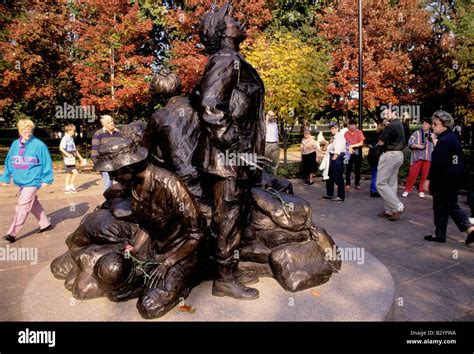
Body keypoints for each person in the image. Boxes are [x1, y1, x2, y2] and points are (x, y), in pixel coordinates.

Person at [192, 1, 264, 300]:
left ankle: (228, 268)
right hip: (228, 157)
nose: (239, 22)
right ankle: (224, 277)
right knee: (229, 215)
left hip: (235, 156)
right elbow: (211, 106)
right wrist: (236, 145)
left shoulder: (233, 59)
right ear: (222, 31)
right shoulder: (224, 60)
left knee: (235, 213)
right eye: (234, 20)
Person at [94, 136, 208, 318]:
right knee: (111, 279)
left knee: (149, 307)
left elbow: (197, 235)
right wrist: (136, 247)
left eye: (115, 171)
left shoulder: (170, 185)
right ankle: (151, 283)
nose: (113, 177)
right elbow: (147, 225)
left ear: (129, 166)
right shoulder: (133, 185)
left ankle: (180, 283)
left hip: (182, 253)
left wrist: (169, 262)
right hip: (156, 248)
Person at [423, 110, 474, 245]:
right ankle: (440, 234)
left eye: (435, 124)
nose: (433, 126)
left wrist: (427, 180)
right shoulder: (451, 138)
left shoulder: (444, 141)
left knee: (447, 206)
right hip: (453, 179)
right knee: (444, 206)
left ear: (444, 125)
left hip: (444, 180)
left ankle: (470, 229)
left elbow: (438, 164)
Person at [0, 119, 54, 243]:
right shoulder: (15, 144)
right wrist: (5, 177)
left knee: (22, 206)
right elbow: (9, 161)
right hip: (20, 180)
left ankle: (12, 233)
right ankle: (45, 224)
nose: (28, 134)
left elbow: (46, 162)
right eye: (25, 131)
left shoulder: (39, 145)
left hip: (33, 180)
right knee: (33, 203)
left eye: (30, 131)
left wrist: (47, 179)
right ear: (19, 131)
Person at [376, 108, 406, 221]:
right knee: (391, 183)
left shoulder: (391, 126)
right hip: (399, 155)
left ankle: (397, 206)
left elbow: (381, 141)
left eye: (387, 113)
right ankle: (390, 210)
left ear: (393, 113)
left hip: (390, 155)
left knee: (380, 183)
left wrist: (384, 128)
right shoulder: (399, 124)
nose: (385, 115)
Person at [402, 117, 435, 198]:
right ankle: (407, 190)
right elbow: (410, 143)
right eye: (423, 123)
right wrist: (419, 146)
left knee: (425, 175)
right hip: (417, 157)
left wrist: (433, 140)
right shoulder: (416, 133)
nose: (424, 125)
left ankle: (421, 190)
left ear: (430, 125)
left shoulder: (433, 135)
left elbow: (435, 146)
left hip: (428, 158)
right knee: (412, 175)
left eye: (426, 124)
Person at [91, 115, 122, 191]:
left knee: (122, 184)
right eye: (108, 123)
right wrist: (97, 164)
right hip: (105, 164)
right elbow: (94, 152)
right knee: (108, 185)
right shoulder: (98, 134)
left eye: (111, 121)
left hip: (119, 164)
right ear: (103, 124)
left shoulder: (119, 133)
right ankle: (108, 202)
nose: (111, 123)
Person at [322, 122, 346, 202]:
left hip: (336, 157)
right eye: (331, 128)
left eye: (333, 128)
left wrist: (334, 158)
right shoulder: (336, 137)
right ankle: (330, 193)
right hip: (333, 157)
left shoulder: (339, 137)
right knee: (330, 176)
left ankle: (340, 196)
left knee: (337, 176)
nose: (331, 130)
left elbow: (338, 149)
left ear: (337, 128)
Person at [59, 124, 86, 193]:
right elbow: (61, 148)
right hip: (68, 159)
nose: (74, 132)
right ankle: (71, 186)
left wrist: (81, 158)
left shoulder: (71, 138)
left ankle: (67, 188)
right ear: (69, 130)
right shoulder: (65, 138)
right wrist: (67, 154)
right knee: (75, 172)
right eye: (73, 130)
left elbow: (75, 150)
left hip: (71, 158)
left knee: (69, 173)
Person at [344, 119, 366, 191]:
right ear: (349, 125)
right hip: (348, 152)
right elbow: (344, 143)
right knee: (348, 168)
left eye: (354, 125)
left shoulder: (359, 132)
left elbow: (361, 143)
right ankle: (347, 183)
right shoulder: (346, 133)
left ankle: (357, 183)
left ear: (355, 125)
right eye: (351, 125)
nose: (352, 126)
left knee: (357, 169)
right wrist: (349, 147)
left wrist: (352, 146)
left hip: (357, 151)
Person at [367, 121, 385, 198]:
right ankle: (374, 190)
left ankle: (373, 189)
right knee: (376, 174)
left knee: (374, 173)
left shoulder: (373, 136)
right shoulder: (383, 137)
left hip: (371, 157)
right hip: (378, 157)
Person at [264, 111, 280, 176]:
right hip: (267, 144)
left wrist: (278, 142)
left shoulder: (275, 124)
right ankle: (265, 179)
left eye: (273, 116)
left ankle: (275, 178)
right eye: (271, 116)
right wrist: (266, 121)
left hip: (275, 144)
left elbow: (276, 134)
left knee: (275, 163)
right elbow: (263, 131)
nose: (273, 117)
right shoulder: (264, 123)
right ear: (267, 116)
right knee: (265, 162)